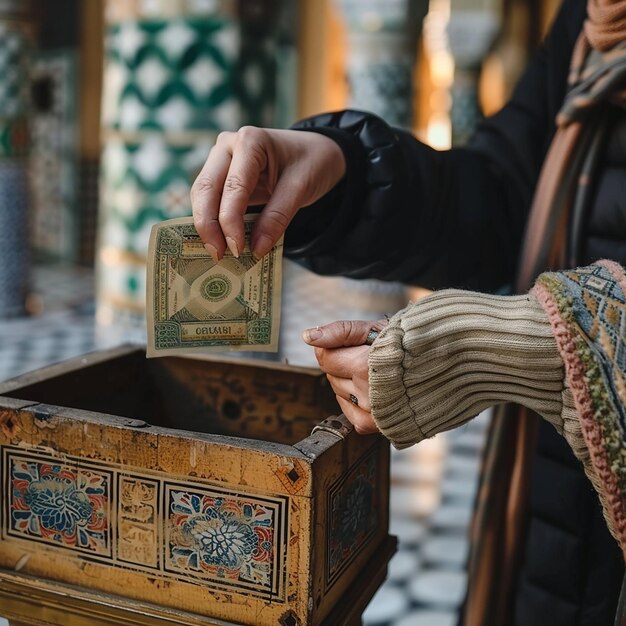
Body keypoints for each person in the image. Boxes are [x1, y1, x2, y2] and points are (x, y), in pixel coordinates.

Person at [190, 0, 626, 623]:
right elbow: (501, 200)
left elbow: (519, 331)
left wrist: (501, 347)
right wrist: (345, 171)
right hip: (547, 516)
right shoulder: (591, 23)